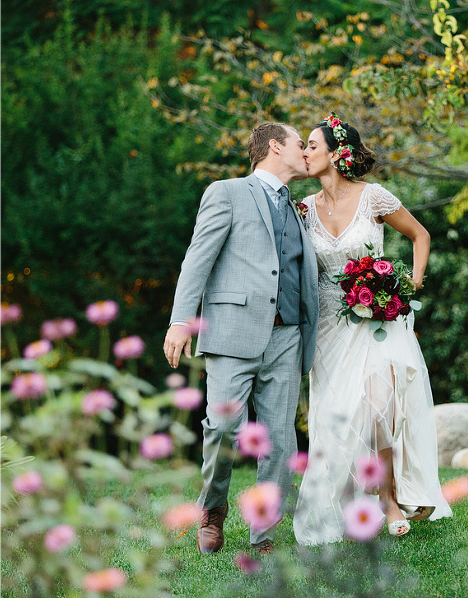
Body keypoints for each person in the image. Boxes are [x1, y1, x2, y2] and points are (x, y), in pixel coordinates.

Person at [293, 114, 452, 544]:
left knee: (381, 404)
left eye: (311, 145)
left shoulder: (374, 197)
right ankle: (347, 500)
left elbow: (421, 236)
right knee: (336, 413)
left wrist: (408, 286)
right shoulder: (303, 209)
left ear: (336, 152)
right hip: (328, 325)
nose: (304, 152)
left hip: (379, 320)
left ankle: (390, 498)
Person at [164, 122, 319, 556]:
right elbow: (198, 257)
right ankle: (212, 510)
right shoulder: (227, 192)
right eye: (298, 145)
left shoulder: (297, 207)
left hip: (287, 336)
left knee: (280, 439)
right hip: (232, 334)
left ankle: (263, 533)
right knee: (223, 429)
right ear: (274, 146)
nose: (306, 152)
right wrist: (181, 321)